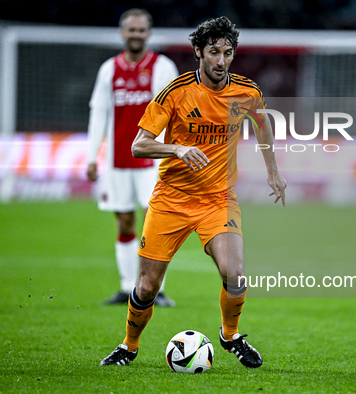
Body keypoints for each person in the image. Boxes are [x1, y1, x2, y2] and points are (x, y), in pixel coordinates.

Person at [99, 16, 287, 368]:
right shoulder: (176, 92)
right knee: (146, 287)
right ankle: (129, 345)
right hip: (171, 200)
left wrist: (273, 172)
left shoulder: (247, 92)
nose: (221, 61)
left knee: (236, 273)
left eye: (228, 53)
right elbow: (139, 146)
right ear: (198, 52)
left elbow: (263, 126)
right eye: (214, 52)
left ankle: (230, 336)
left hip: (219, 200)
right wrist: (177, 149)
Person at [86, 9, 178, 306]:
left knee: (158, 224)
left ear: (148, 33)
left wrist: (171, 153)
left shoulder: (163, 67)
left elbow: (173, 114)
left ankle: (156, 289)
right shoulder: (109, 69)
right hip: (117, 160)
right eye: (131, 30)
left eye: (141, 30)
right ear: (122, 33)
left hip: (153, 160)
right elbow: (99, 113)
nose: (136, 34)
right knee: (125, 222)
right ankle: (128, 287)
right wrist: (91, 157)